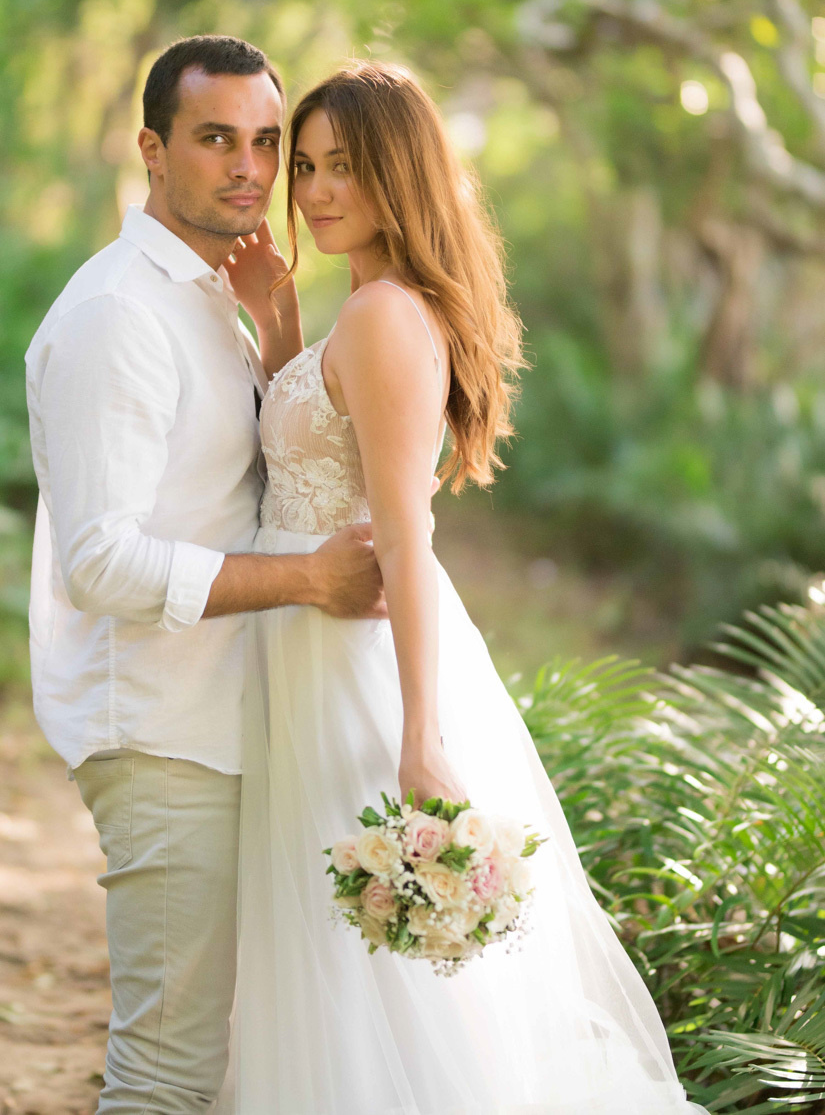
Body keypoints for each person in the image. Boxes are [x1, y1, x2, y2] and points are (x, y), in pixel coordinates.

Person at [218, 62, 708, 1115]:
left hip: (357, 660)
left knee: (382, 969)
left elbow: (404, 527)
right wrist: (277, 332)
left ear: (397, 170)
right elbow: (322, 451)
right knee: (332, 957)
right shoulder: (363, 309)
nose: (309, 190)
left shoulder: (388, 317)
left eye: (341, 166)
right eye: (301, 166)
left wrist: (420, 732)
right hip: (306, 644)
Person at [24, 35, 385, 1115]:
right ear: (151, 148)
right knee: (167, 1068)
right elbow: (98, 560)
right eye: (214, 139)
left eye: (266, 143)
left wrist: (277, 332)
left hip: (230, 719)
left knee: (234, 1063)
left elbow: (254, 479)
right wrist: (309, 583)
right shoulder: (115, 316)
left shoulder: (209, 298)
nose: (249, 170)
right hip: (161, 731)